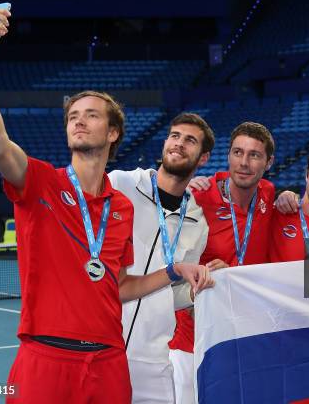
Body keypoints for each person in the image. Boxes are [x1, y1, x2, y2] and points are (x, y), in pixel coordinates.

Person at [0, 7, 212, 404]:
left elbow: (122, 286)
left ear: (112, 132)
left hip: (108, 362)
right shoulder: (41, 183)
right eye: (73, 116)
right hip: (44, 357)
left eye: (91, 115)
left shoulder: (122, 207)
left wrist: (174, 271)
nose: (78, 121)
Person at [108, 113, 216, 404]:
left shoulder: (197, 222)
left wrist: (196, 290)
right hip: (101, 348)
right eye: (175, 136)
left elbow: (175, 293)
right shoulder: (121, 184)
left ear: (203, 158)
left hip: (153, 359)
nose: (179, 144)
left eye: (190, 141)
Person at [168, 121, 276, 403]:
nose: (244, 163)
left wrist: (291, 196)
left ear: (269, 162)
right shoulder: (197, 198)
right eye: (237, 152)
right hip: (192, 343)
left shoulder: (268, 195)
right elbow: (172, 264)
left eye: (254, 155)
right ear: (227, 156)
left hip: (243, 341)